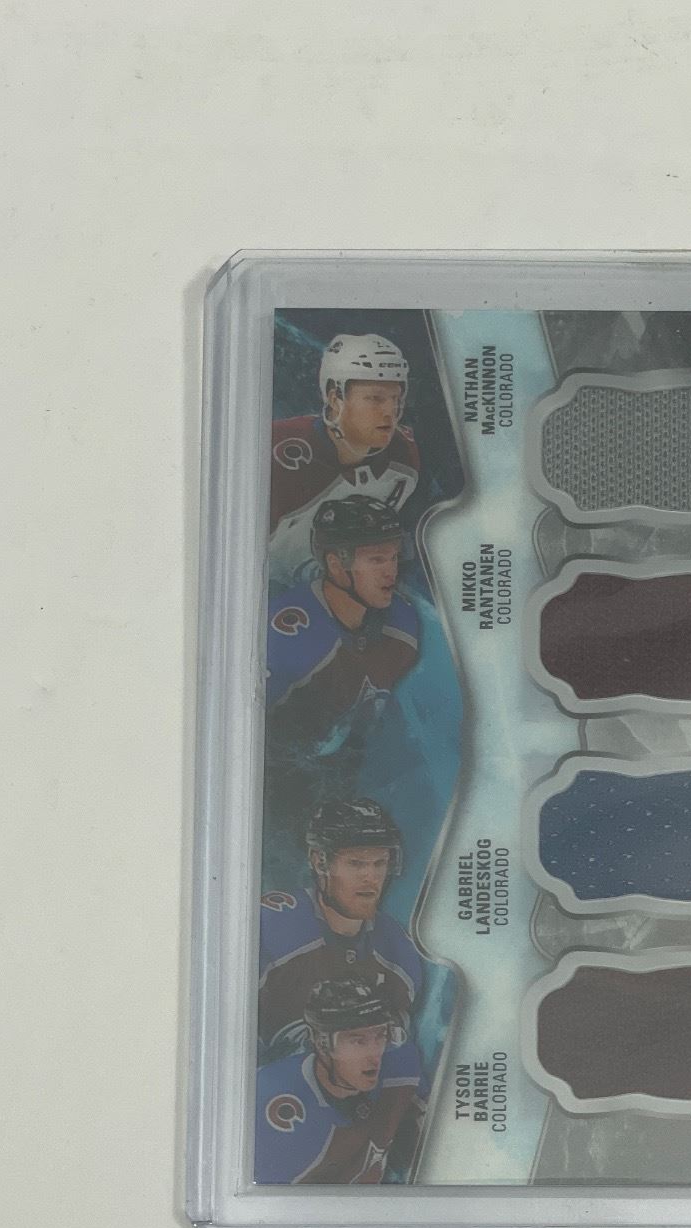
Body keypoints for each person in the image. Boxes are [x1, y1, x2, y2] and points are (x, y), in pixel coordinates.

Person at [258, 798, 424, 1060]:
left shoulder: (397, 951)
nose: (371, 877)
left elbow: (394, 1062)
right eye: (356, 863)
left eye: (379, 863)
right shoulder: (272, 927)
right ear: (320, 862)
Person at [265, 495, 419, 764]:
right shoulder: (288, 635)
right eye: (376, 560)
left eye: (394, 557)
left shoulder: (402, 623)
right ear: (336, 565)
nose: (391, 572)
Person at [268, 331, 419, 589]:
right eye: (375, 398)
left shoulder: (402, 457)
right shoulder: (276, 449)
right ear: (335, 398)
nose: (389, 411)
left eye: (395, 399)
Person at [254, 975, 426, 1186]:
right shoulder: (272, 1100)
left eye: (380, 1036)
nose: (374, 1054)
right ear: (322, 1043)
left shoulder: (401, 1062)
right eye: (358, 1041)